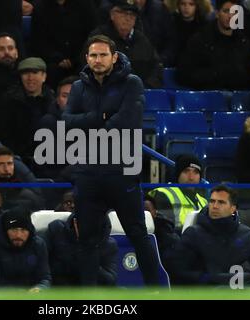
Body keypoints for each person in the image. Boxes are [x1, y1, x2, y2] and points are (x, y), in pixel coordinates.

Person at [62, 34, 161, 286]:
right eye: (93, 55)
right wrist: (100, 117)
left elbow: (128, 122)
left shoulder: (131, 83)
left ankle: (154, 291)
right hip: (88, 173)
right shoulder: (78, 87)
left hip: (121, 172)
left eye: (103, 54)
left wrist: (91, 127)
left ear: (114, 57)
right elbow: (67, 124)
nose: (98, 59)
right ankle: (89, 298)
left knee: (138, 235)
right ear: (87, 58)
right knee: (87, 240)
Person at [167, 184, 250, 286]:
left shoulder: (246, 234)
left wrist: (247, 277)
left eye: (221, 202)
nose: (214, 206)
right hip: (209, 289)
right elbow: (178, 271)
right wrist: (208, 278)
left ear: (233, 208)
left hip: (243, 285)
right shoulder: (193, 234)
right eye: (212, 201)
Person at [176, 0, 250, 90]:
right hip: (207, 95)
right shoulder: (200, 39)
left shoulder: (244, 42)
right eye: (226, 11)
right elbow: (184, 74)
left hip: (236, 95)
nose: (230, 16)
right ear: (217, 13)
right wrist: (215, 74)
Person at [90, 0, 163, 88]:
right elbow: (89, 69)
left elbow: (156, 67)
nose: (128, 18)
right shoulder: (99, 38)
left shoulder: (142, 40)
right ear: (112, 15)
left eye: (132, 15)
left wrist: (145, 86)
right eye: (123, 13)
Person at [0, 206, 51, 291]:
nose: (18, 235)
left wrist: (40, 288)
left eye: (23, 230)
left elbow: (44, 277)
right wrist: (19, 294)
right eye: (14, 229)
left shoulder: (38, 245)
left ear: (29, 231)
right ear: (6, 230)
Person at [45, 212, 118, 286]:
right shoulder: (56, 230)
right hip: (57, 289)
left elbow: (110, 280)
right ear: (75, 222)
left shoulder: (108, 244)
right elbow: (42, 269)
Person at [147, 154, 208, 231]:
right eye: (186, 171)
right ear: (178, 174)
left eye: (196, 172)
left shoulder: (203, 201)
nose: (191, 177)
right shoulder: (163, 194)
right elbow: (164, 232)